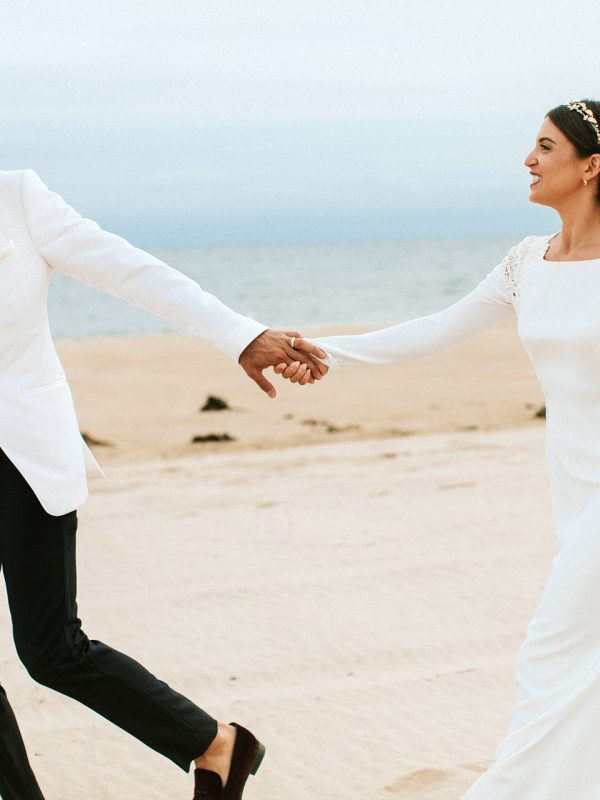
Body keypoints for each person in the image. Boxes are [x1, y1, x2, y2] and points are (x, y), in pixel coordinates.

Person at [281, 99, 600, 798]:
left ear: (591, 167)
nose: (528, 159)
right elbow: (434, 329)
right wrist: (324, 349)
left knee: (551, 654)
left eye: (546, 147)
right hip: (574, 490)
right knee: (581, 661)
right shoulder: (528, 262)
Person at [0, 167, 328, 800]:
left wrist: (239, 334)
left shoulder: (15, 198)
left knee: (51, 651)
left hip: (20, 455)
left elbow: (129, 269)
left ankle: (216, 744)